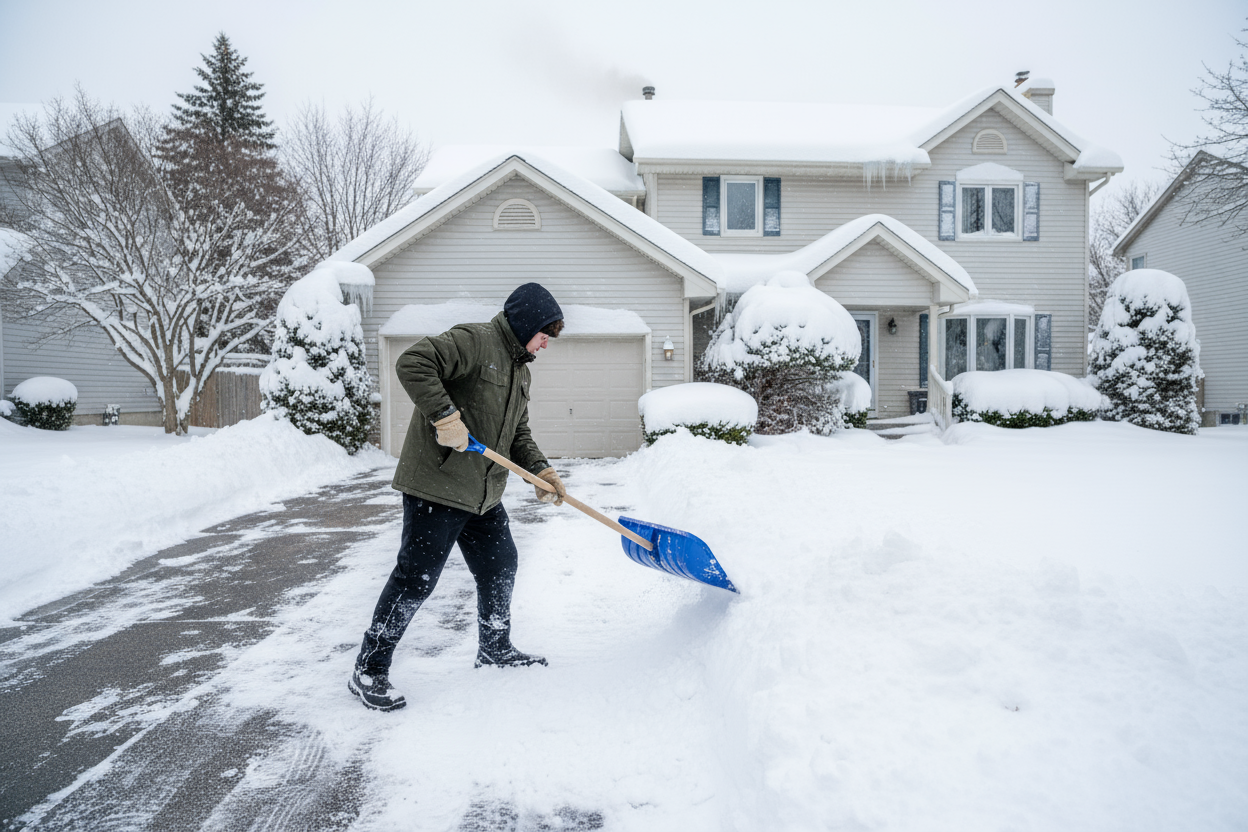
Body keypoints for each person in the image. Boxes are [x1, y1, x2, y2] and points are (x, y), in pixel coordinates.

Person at [349, 283, 569, 711]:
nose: (545, 344)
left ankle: (495, 647)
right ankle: (369, 668)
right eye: (544, 334)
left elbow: (517, 433)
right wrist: (444, 415)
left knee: (500, 565)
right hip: (438, 485)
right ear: (526, 324)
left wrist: (540, 470)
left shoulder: (521, 372)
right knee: (416, 579)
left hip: (483, 494)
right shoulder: (474, 341)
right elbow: (413, 362)